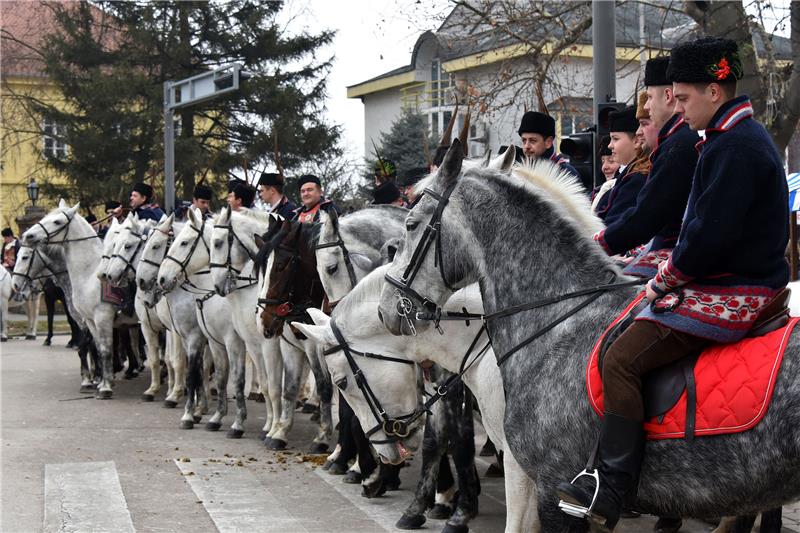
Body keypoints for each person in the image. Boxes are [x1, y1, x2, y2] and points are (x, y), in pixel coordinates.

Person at [558, 37, 790, 531]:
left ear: (713, 90)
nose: (678, 110)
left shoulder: (735, 147)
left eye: (682, 98)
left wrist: (666, 279)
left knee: (618, 358)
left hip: (736, 290)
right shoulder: (730, 138)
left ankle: (614, 484)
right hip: (731, 279)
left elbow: (707, 237)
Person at [594, 56, 700, 281]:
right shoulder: (676, 142)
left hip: (671, 251)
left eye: (650, 97)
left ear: (668, 96)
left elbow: (646, 217)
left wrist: (594, 246)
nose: (648, 106)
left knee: (608, 294)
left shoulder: (678, 144)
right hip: (665, 248)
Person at [594, 106, 649, 227]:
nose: (610, 145)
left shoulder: (637, 179)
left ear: (636, 141)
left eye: (615, 139)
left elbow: (612, 225)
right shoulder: (628, 176)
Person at [517, 111, 579, 177]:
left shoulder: (565, 173)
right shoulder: (519, 170)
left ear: (548, 142)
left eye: (532, 141)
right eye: (524, 140)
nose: (526, 146)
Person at [590, 136, 619, 213]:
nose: (604, 167)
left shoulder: (624, 193)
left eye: (611, 161)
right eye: (603, 161)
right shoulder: (595, 193)